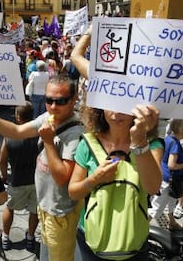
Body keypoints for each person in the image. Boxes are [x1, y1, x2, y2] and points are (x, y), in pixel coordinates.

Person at [0, 74, 84, 261]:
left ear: (73, 100)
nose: (53, 106)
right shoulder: (48, 117)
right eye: (49, 100)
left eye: (61, 101)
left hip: (60, 213)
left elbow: (63, 177)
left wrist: (48, 143)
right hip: (45, 205)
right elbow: (15, 131)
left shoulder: (74, 133)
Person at [68, 103, 161, 260]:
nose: (117, 111)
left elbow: (152, 187)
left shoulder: (151, 145)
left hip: (134, 241)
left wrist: (139, 142)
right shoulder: (88, 143)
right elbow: (73, 192)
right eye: (110, 103)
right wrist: (94, 179)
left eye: (125, 105)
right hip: (92, 238)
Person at [0, 101, 39, 251]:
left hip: (16, 181)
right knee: (34, 211)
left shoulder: (9, 136)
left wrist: (4, 177)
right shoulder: (39, 134)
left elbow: (2, 161)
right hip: (35, 181)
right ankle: (30, 238)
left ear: (17, 117)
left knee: (10, 208)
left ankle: (5, 237)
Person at [148, 119, 183, 230]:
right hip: (169, 181)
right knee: (156, 208)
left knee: (171, 203)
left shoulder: (169, 139)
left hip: (170, 180)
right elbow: (172, 165)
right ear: (182, 130)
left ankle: (172, 223)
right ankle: (140, 227)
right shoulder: (176, 144)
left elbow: (170, 152)